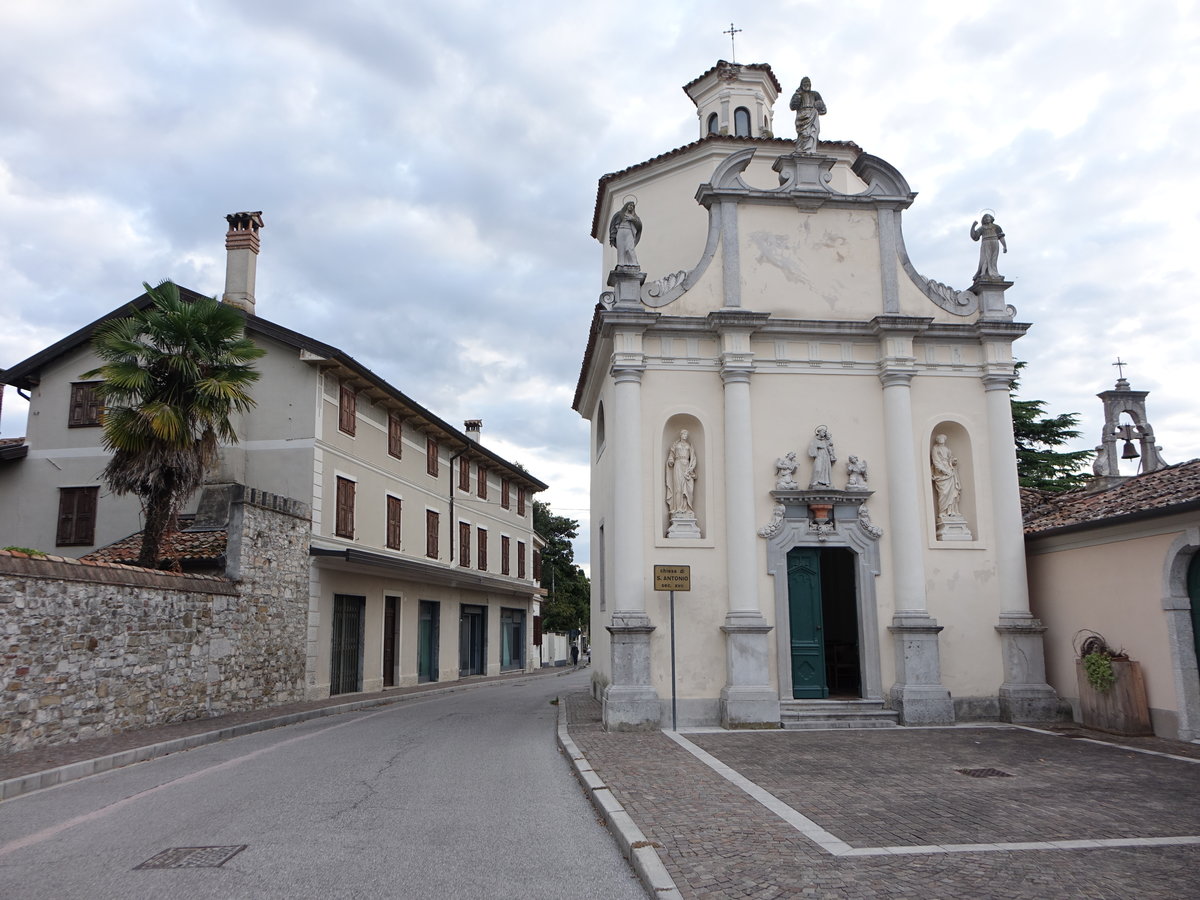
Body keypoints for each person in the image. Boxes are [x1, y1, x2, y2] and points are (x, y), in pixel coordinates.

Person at [789, 77, 826, 154]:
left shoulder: (815, 94)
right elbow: (792, 107)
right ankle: (801, 148)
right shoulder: (798, 94)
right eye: (804, 83)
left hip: (813, 115)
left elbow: (823, 108)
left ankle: (811, 149)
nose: (806, 85)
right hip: (801, 115)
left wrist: (819, 106)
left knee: (813, 132)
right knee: (803, 134)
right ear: (801, 85)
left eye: (808, 83)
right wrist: (797, 97)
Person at [666, 429, 697, 516]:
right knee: (678, 487)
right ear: (681, 435)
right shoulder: (676, 445)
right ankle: (678, 508)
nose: (685, 435)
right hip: (678, 464)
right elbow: (671, 455)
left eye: (686, 434)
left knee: (687, 489)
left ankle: (686, 508)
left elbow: (693, 458)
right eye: (683, 434)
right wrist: (671, 460)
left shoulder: (689, 446)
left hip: (686, 465)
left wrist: (691, 468)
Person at [930, 434, 962, 518]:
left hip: (950, 471)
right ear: (937, 440)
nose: (942, 440)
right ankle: (942, 511)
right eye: (940, 438)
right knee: (944, 492)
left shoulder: (948, 449)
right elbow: (936, 461)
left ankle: (951, 511)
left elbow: (950, 459)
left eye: (943, 438)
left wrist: (953, 462)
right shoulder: (935, 449)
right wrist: (943, 470)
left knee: (952, 492)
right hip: (941, 473)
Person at [970, 214, 1007, 281]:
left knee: (993, 258)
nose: (987, 219)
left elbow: (1001, 237)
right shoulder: (982, 228)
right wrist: (973, 227)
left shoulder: (996, 227)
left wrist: (1005, 246)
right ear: (983, 220)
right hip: (986, 243)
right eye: (985, 218)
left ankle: (994, 273)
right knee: (985, 259)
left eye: (988, 217)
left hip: (995, 243)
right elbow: (974, 236)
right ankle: (983, 273)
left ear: (991, 218)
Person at [608, 200, 642, 268]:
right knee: (621, 249)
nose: (631, 207)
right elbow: (612, 225)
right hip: (620, 231)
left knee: (630, 248)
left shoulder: (634, 216)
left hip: (629, 231)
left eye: (633, 206)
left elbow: (639, 226)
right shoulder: (619, 214)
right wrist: (612, 237)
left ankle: (634, 263)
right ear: (626, 205)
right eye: (630, 205)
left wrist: (633, 219)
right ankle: (621, 264)